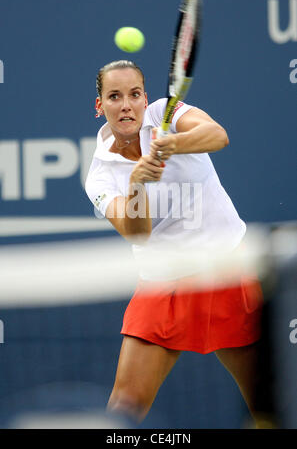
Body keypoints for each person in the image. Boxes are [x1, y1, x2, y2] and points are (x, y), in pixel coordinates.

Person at [85, 60, 270, 428]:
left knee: (265, 399)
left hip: (225, 271)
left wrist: (172, 144)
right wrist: (137, 182)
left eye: (134, 94)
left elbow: (217, 135)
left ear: (145, 98)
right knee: (125, 406)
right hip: (162, 285)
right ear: (99, 105)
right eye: (115, 96)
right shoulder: (100, 175)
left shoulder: (166, 112)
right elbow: (137, 233)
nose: (126, 105)